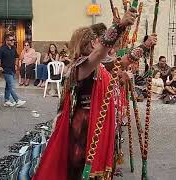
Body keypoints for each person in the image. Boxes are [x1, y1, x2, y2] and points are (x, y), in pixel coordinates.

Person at [33, 9, 141, 180]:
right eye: (96, 40)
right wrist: (119, 26)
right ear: (90, 44)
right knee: (80, 167)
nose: (99, 43)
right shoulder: (81, 66)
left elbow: (121, 60)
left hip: (97, 121)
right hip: (84, 126)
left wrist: (144, 46)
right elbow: (101, 53)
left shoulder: (98, 65)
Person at [0, 34, 26, 107]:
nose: (13, 41)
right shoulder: (1, 49)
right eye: (11, 40)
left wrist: (16, 65)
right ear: (6, 40)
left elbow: (17, 57)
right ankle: (17, 100)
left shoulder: (13, 48)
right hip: (6, 70)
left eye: (13, 40)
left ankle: (6, 101)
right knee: (11, 86)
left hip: (12, 69)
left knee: (8, 86)